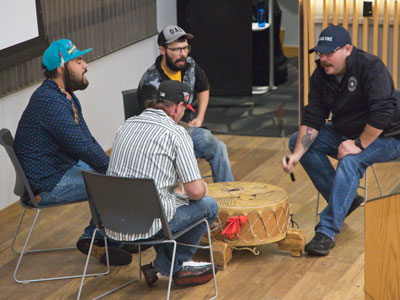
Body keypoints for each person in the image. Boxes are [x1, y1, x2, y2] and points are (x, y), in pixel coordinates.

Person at [282, 25, 400, 256]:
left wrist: (358, 144)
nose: (323, 59)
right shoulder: (321, 75)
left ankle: (326, 232)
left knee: (350, 162)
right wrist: (296, 156)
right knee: (299, 142)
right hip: (346, 131)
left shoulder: (370, 67)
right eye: (320, 53)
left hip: (388, 136)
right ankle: (346, 200)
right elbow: (314, 116)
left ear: (347, 49)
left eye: (328, 53)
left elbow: (382, 112)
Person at [13, 39, 132, 266]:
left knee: (112, 173)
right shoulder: (50, 101)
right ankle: (95, 239)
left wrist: (112, 165)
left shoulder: (63, 94)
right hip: (46, 185)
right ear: (61, 68)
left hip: (58, 170)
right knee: (113, 181)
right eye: (78, 61)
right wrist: (113, 170)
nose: (85, 64)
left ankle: (112, 236)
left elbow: (86, 140)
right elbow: (82, 147)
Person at [107, 80, 219, 287]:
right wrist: (203, 186)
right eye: (185, 109)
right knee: (209, 206)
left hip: (112, 222)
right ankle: (171, 267)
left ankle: (162, 266)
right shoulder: (176, 133)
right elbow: (195, 192)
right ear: (177, 107)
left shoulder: (125, 126)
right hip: (146, 225)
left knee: (165, 199)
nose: (184, 115)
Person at [137, 25, 234, 183]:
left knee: (218, 147)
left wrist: (200, 117)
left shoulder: (190, 65)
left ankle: (228, 195)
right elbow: (154, 122)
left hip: (189, 128)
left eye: (185, 48)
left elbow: (204, 88)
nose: (182, 54)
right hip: (164, 135)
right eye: (176, 49)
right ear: (162, 50)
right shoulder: (151, 81)